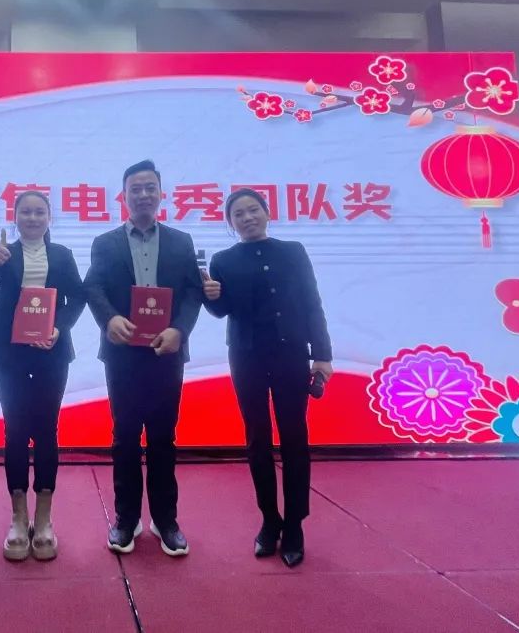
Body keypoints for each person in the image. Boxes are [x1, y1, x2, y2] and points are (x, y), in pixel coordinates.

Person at [202, 188, 333, 568]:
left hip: (291, 354)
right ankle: (269, 520)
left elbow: (312, 303)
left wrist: (322, 354)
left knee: (294, 438)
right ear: (230, 223)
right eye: (238, 214)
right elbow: (222, 310)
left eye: (252, 210)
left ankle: (294, 524)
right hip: (247, 357)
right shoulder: (223, 260)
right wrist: (210, 295)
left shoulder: (293, 252)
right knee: (257, 438)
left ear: (266, 212)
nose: (247, 218)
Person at [84, 160, 203, 557]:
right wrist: (109, 319)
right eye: (135, 188)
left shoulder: (181, 241)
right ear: (124, 196)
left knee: (163, 437)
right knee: (125, 437)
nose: (143, 194)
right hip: (123, 354)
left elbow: (192, 292)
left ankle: (166, 520)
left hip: (166, 352)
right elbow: (93, 287)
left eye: (150, 187)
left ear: (161, 193)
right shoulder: (105, 243)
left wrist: (180, 330)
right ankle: (126, 518)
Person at [0, 191, 86, 561]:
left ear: (49, 217)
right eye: (26, 212)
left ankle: (45, 517)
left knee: (47, 430)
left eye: (39, 212)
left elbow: (77, 298)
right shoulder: (4, 252)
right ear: (15, 216)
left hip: (51, 350)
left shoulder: (62, 255)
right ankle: (18, 517)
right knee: (16, 430)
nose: (33, 218)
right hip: (9, 352)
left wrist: (59, 328)